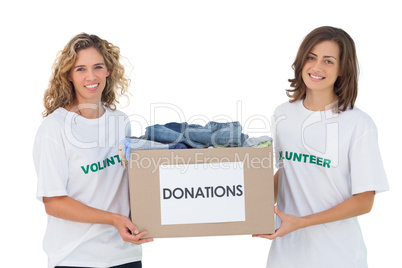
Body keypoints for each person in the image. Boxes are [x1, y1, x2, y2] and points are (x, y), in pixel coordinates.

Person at [253, 26, 389, 267]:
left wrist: (302, 222)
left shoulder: (358, 124)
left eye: (328, 61)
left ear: (341, 70)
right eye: (311, 57)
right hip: (285, 255)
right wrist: (249, 207)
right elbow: (287, 172)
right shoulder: (283, 114)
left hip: (337, 256)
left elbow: (364, 201)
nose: (316, 67)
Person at [33, 33, 153, 268]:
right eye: (80, 69)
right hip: (77, 258)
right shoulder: (54, 128)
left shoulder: (121, 122)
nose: (91, 76)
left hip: (125, 255)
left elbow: (134, 184)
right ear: (68, 74)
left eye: (98, 67)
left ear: (108, 70)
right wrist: (113, 219)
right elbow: (54, 202)